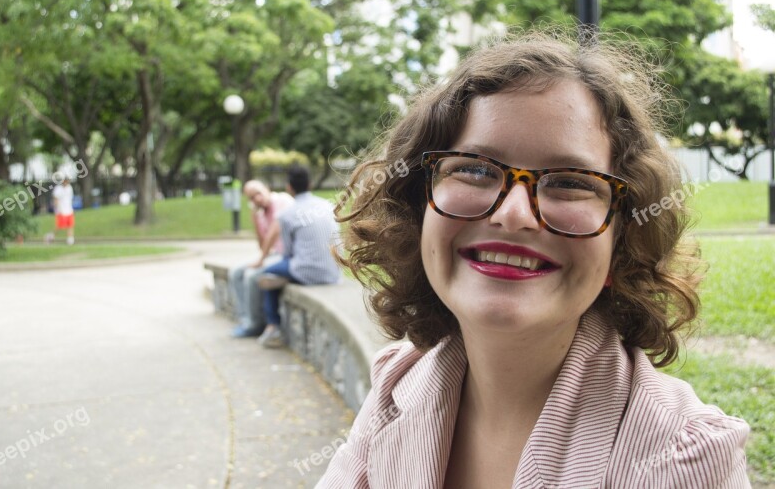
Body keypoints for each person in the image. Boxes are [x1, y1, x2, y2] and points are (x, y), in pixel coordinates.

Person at [317, 30, 750, 487]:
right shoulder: (398, 382)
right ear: (417, 207)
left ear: (622, 244)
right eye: (475, 169)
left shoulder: (685, 457)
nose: (513, 215)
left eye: (571, 181)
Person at [256, 166, 341, 349]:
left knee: (267, 275)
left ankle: (273, 326)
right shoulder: (327, 205)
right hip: (334, 272)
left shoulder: (286, 214)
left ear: (289, 188)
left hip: (306, 271)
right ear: (310, 184)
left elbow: (287, 253)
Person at [229, 180, 293, 338]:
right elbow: (262, 244)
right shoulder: (261, 213)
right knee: (235, 272)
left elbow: (275, 232)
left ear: (267, 188)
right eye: (251, 198)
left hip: (287, 254)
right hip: (273, 255)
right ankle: (246, 319)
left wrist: (260, 260)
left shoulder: (282, 201)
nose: (256, 199)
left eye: (258, 193)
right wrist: (255, 219)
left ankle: (255, 324)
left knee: (252, 276)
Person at [51, 177, 75, 245]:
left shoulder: (69, 188)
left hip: (69, 210)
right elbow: (55, 199)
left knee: (70, 225)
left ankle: (70, 239)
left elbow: (70, 199)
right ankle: (52, 236)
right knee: (58, 226)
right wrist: (57, 208)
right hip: (61, 210)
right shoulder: (58, 189)